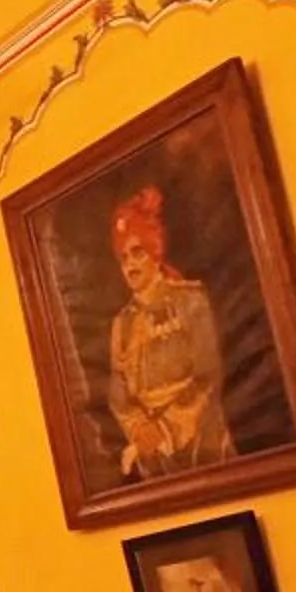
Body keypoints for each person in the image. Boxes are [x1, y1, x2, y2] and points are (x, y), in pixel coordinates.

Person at [104, 186, 232, 479]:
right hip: (153, 461)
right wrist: (139, 430)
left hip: (203, 447)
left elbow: (207, 375)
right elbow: (119, 395)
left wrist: (165, 429)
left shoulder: (190, 301)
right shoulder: (121, 324)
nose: (130, 266)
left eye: (138, 253)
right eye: (123, 258)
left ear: (155, 253)